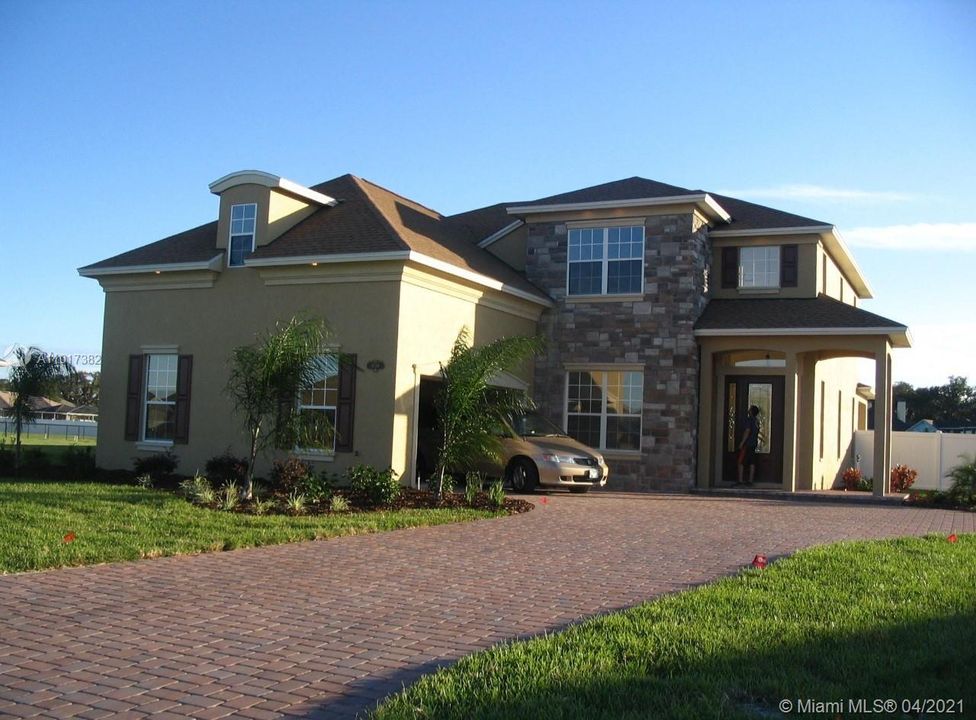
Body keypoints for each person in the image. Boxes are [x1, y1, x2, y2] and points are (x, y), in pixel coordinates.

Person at [737, 405, 761, 486]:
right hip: (754, 443)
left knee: (741, 461)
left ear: (751, 411)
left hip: (747, 444)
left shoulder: (749, 420)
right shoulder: (756, 421)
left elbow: (747, 431)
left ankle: (740, 480)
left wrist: (742, 443)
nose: (748, 410)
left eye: (749, 409)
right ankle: (750, 480)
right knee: (752, 462)